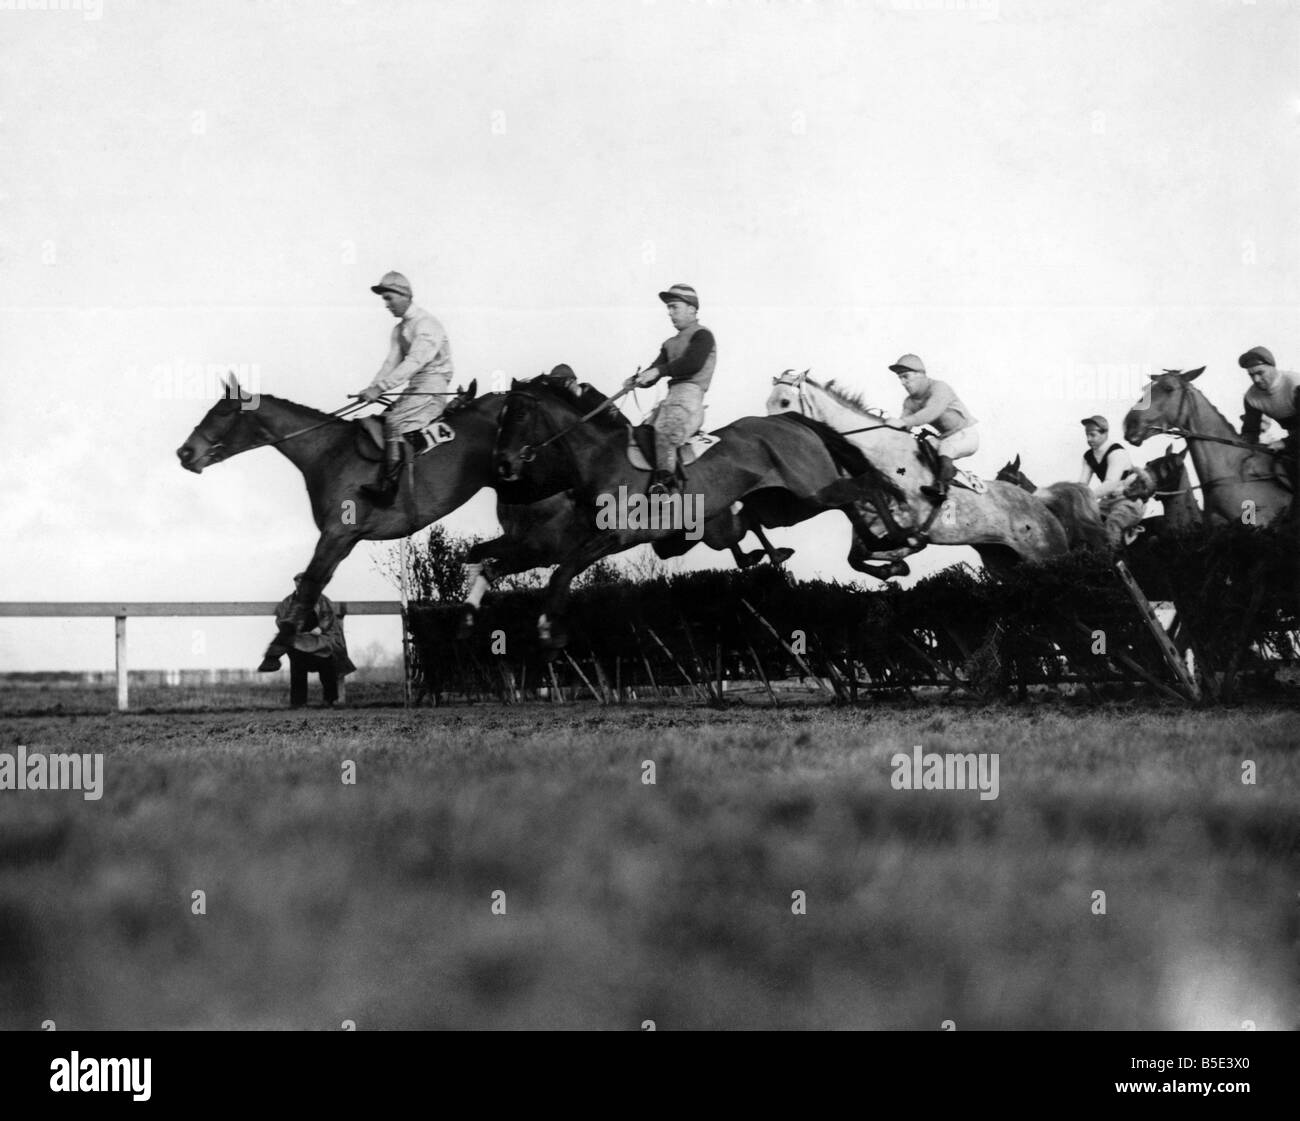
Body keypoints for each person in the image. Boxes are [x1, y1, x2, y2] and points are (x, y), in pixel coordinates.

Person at [355, 271, 455, 507]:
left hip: (433, 386)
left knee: (394, 423)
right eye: (384, 300)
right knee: (381, 420)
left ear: (404, 295)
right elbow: (391, 363)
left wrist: (380, 388)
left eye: (389, 298)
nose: (386, 305)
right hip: (416, 385)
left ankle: (389, 488)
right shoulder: (399, 330)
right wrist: (371, 388)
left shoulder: (426, 325)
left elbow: (414, 363)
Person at [635, 284, 716, 496]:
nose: (670, 313)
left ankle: (666, 488)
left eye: (674, 307)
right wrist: (638, 379)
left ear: (691, 308)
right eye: (668, 309)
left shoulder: (702, 335)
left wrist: (659, 371)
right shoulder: (669, 343)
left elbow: (692, 363)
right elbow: (655, 370)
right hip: (670, 400)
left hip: (689, 397)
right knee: (641, 434)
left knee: (665, 433)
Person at [884, 354, 979, 502]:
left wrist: (902, 422)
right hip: (944, 438)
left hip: (965, 435)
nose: (903, 383)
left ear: (920, 374)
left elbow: (931, 412)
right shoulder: (909, 402)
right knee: (920, 448)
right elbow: (903, 426)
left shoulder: (940, 388)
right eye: (900, 378)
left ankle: (941, 489)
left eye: (906, 376)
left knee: (946, 448)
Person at [260, 574, 356, 706]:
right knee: (297, 666)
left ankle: (330, 700)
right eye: (298, 582)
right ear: (295, 583)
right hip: (298, 641)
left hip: (319, 639)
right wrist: (293, 631)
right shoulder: (288, 602)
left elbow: (328, 616)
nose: (301, 585)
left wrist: (320, 628)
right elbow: (281, 619)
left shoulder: (321, 600)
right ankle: (298, 703)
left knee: (327, 665)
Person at [1078, 415, 1144, 548]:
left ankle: (1115, 560)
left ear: (1105, 433)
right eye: (1087, 435)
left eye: (1093, 435)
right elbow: (1082, 485)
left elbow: (1110, 483)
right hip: (1108, 502)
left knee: (1113, 524)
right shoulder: (1088, 456)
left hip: (1129, 500)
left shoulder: (1117, 452)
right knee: (1085, 523)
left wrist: (1087, 498)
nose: (1089, 439)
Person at [1238, 345, 1298, 487]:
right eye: (1251, 375)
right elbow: (1250, 432)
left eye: (1260, 373)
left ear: (1273, 367)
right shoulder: (1251, 397)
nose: (1256, 379)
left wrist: (1285, 443)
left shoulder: (1295, 385)